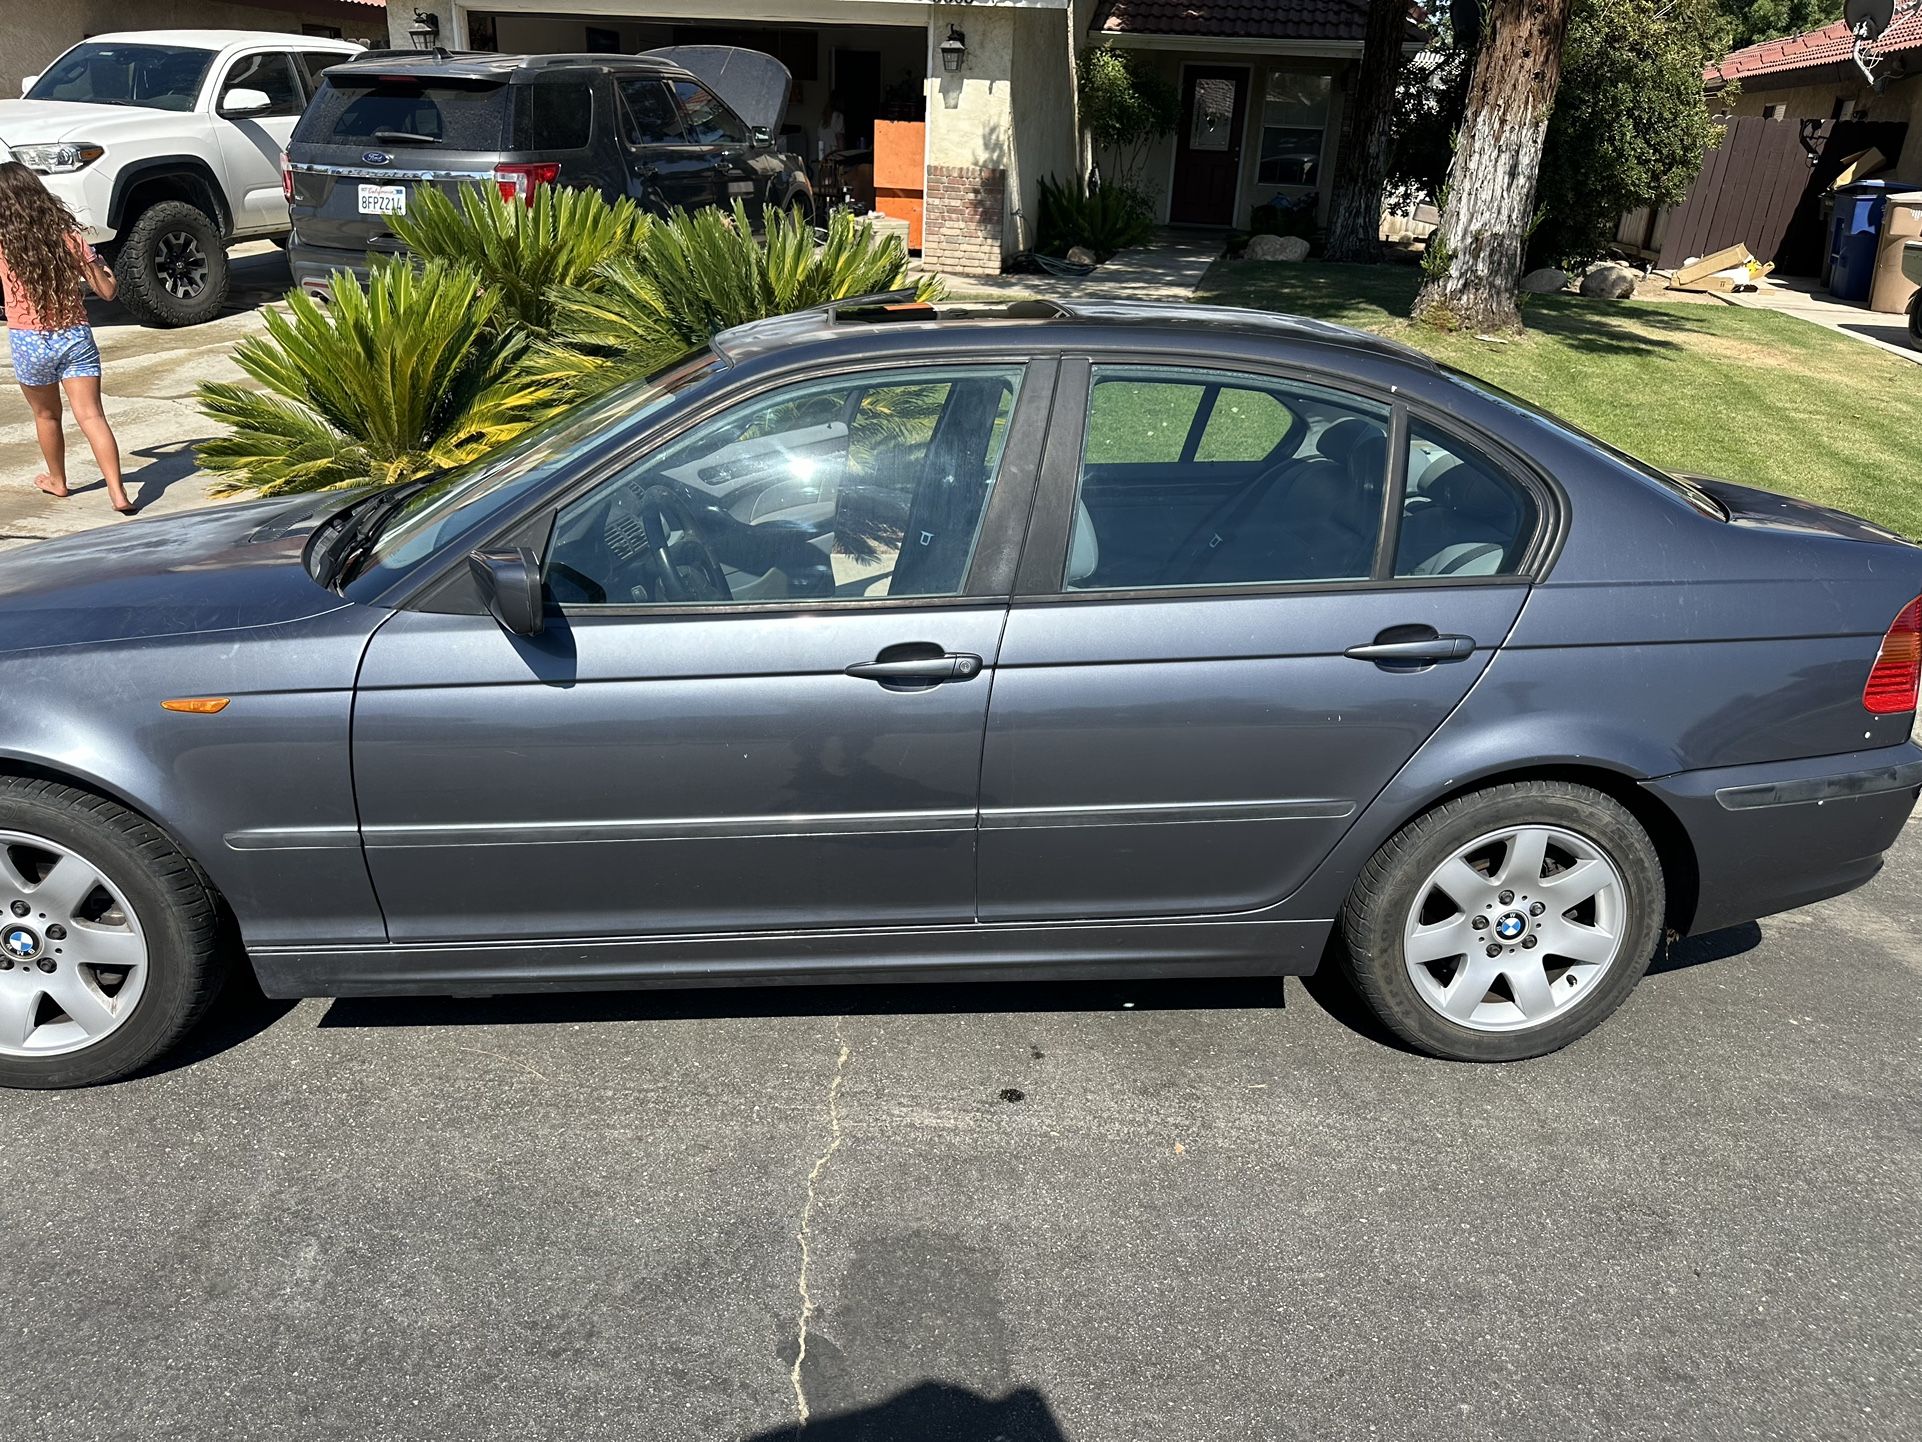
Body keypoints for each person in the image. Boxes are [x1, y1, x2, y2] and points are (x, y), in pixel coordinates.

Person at [0, 161, 134, 514]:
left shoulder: (4, 243)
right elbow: (107, 292)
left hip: (30, 341)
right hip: (74, 336)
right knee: (92, 416)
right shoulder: (70, 238)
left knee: (47, 416)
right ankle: (118, 492)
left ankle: (58, 481)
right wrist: (103, 267)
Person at [816, 90, 846, 161]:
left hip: (824, 157)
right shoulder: (838, 116)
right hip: (835, 157)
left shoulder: (823, 120)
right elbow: (840, 139)